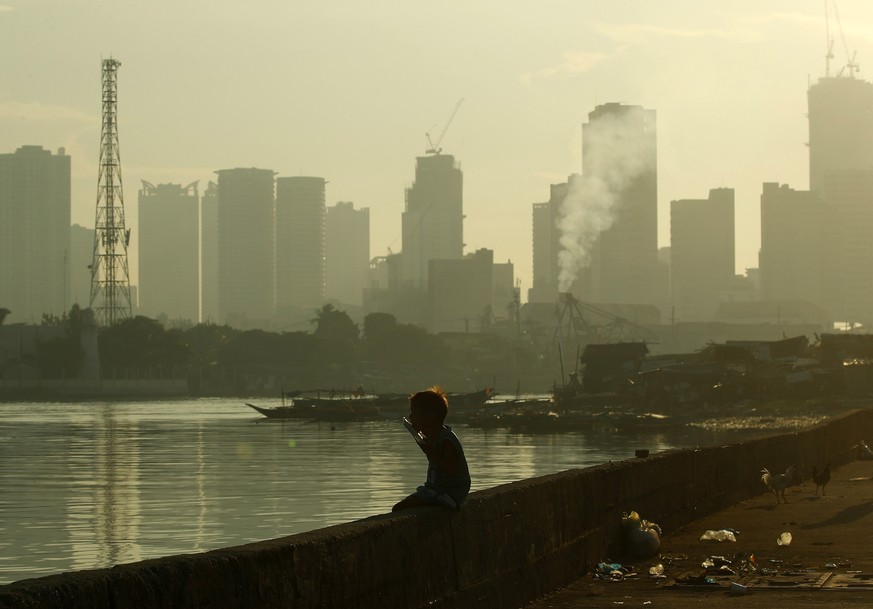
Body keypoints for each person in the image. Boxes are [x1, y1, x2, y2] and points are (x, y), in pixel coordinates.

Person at [392, 386, 471, 511]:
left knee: (399, 508)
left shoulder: (446, 439)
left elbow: (452, 469)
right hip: (436, 489)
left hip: (449, 492)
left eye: (413, 413)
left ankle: (446, 502)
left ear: (429, 417)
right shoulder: (432, 437)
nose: (410, 417)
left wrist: (429, 451)